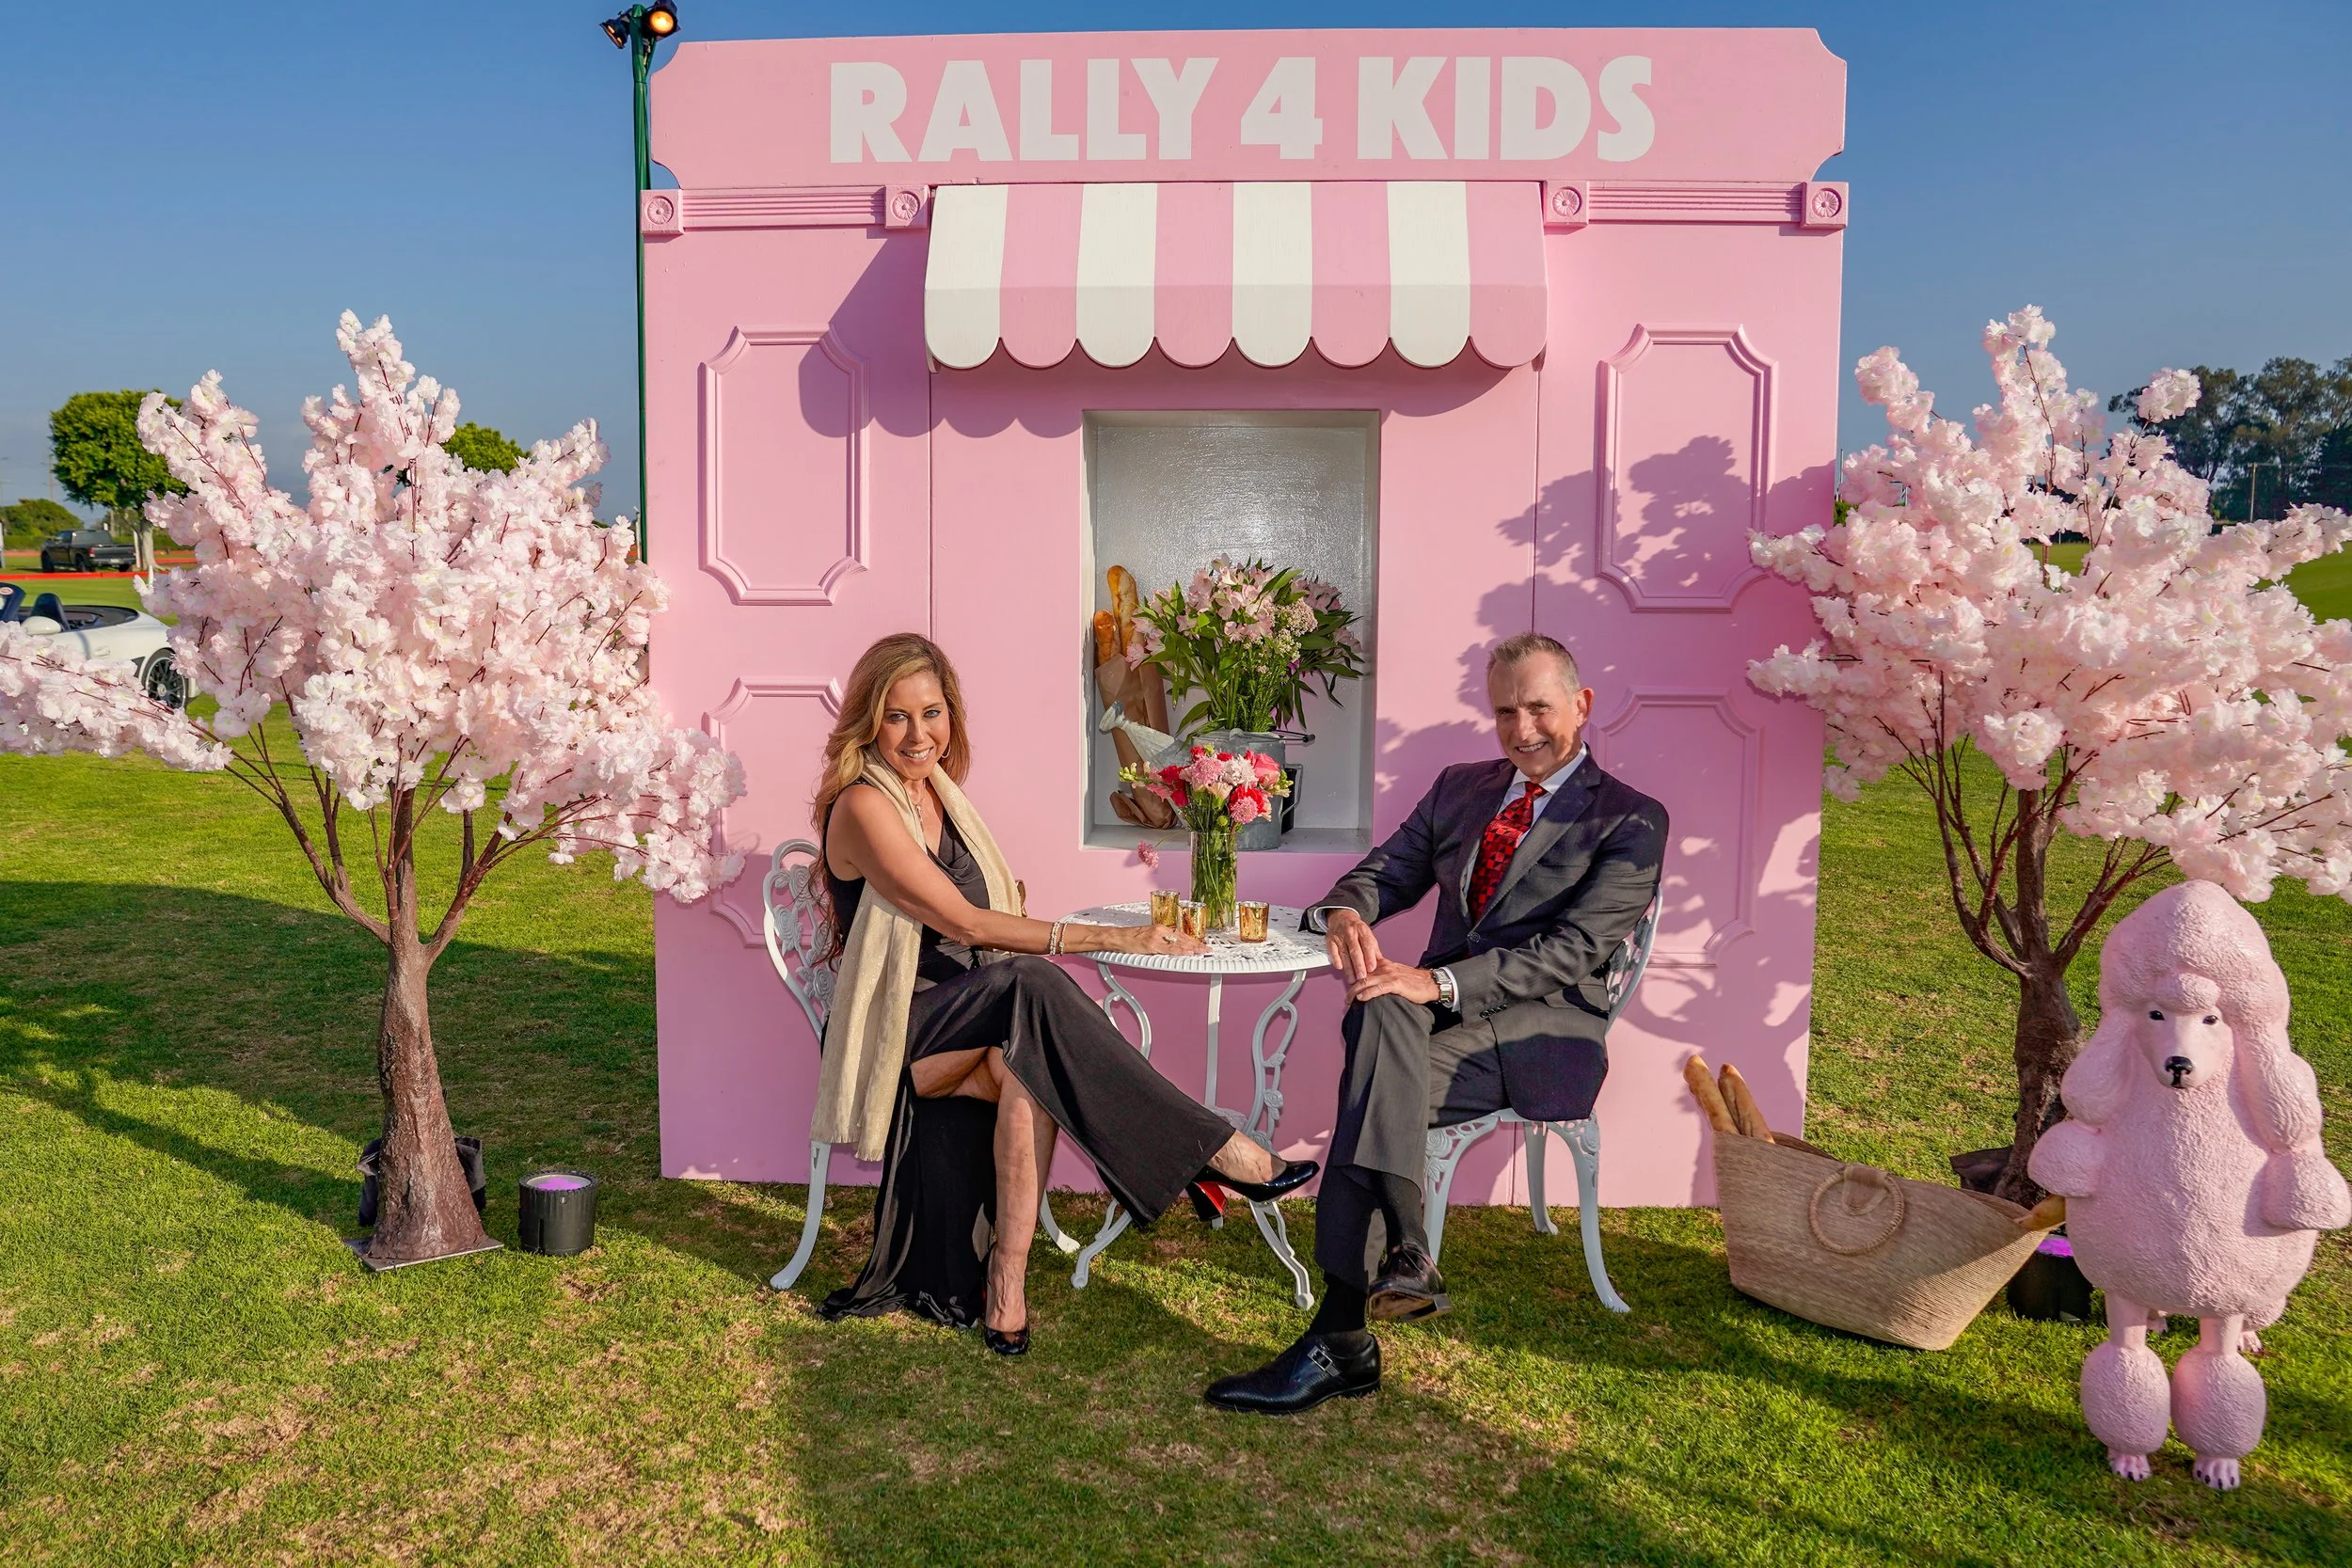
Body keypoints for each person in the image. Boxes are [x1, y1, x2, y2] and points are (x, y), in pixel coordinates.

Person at [811, 633, 1316, 1355]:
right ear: (869, 721)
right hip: (895, 1033)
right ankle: (1211, 1146)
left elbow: (984, 917)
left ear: (951, 714)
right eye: (897, 717)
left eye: (932, 712)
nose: (919, 734)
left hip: (965, 1018)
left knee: (1033, 1065)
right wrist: (1111, 939)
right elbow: (960, 920)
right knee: (1032, 981)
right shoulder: (865, 805)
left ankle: (1007, 1283)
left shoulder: (941, 799)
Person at [1204, 633, 1667, 1413]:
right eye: (1505, 711)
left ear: (1582, 706)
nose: (1522, 730)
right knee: (1383, 1010)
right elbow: (1386, 870)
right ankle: (1405, 1255)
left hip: (1544, 1035)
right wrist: (1348, 912)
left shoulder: (1630, 819)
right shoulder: (1462, 787)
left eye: (1539, 708)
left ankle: (1343, 1334)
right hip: (1434, 1018)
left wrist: (1434, 980)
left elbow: (1570, 952)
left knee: (1377, 1058)